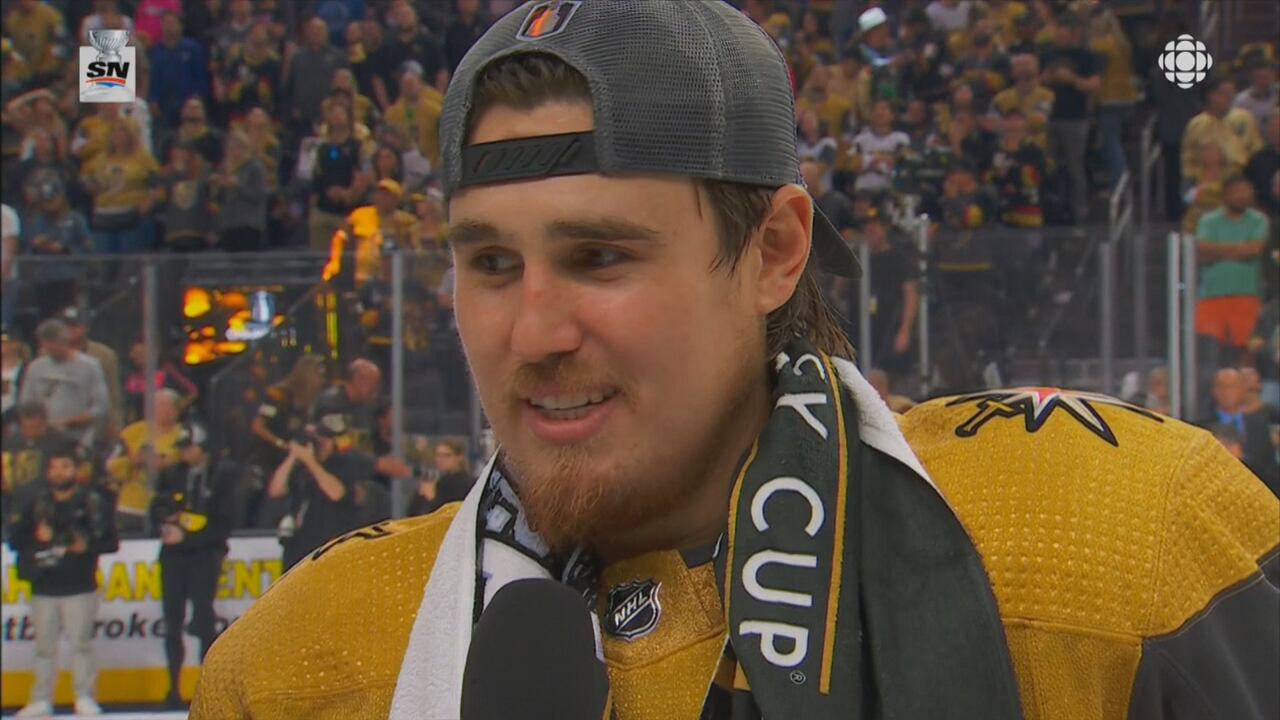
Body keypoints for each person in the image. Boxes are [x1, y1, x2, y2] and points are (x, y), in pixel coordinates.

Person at [193, 4, 1278, 720]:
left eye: (599, 255)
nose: (532, 331)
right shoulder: (302, 662)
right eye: (488, 261)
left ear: (771, 252)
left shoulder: (1112, 552)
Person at [9, 443, 117, 718]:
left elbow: (110, 542)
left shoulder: (91, 502)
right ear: (48, 471)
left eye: (65, 466)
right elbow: (15, 540)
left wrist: (86, 545)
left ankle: (84, 696)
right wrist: (38, 538)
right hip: (44, 586)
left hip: (79, 586)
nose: (59, 473)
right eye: (55, 467)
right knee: (44, 647)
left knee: (81, 644)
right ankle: (41, 699)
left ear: (76, 470)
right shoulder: (36, 503)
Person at [148, 421, 231, 707]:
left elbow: (222, 524)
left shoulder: (221, 476)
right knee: (172, 621)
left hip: (203, 558)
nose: (183, 453)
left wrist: (185, 536)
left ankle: (208, 690)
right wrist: (165, 523)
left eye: (188, 447)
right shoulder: (171, 474)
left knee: (204, 621)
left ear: (203, 447)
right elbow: (155, 509)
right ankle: (173, 689)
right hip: (173, 559)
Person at [267, 418, 373, 570]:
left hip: (329, 548)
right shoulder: (300, 468)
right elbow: (275, 490)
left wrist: (311, 461)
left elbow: (336, 493)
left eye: (322, 439)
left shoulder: (342, 464)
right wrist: (293, 456)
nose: (319, 444)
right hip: (298, 551)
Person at [1194, 176, 1268, 358]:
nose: (1243, 196)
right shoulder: (1208, 221)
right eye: (1237, 191)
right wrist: (1240, 249)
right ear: (1225, 195)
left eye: (1247, 191)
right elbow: (1202, 250)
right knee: (1209, 352)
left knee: (1247, 351)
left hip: (1247, 294)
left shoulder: (1259, 220)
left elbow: (1254, 250)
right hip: (1212, 295)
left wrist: (1217, 250)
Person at [1038, 12, 1100, 225]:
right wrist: (1046, 79)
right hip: (1049, 117)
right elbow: (1035, 81)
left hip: (1075, 118)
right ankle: (1052, 207)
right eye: (1058, 35)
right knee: (1049, 165)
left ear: (1072, 35)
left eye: (1064, 35)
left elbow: (1093, 85)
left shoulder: (1084, 56)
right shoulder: (1046, 55)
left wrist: (1071, 79)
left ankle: (1079, 210)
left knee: (1075, 167)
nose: (1060, 39)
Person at [18, 319, 109, 451]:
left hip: (78, 439)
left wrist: (69, 422)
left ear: (64, 341)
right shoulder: (35, 367)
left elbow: (101, 407)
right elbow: (26, 404)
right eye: (45, 344)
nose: (48, 348)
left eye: (52, 343)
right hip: (42, 441)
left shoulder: (90, 366)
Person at [106, 389, 187, 535]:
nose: (159, 410)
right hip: (130, 508)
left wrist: (150, 460)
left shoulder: (184, 434)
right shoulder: (132, 432)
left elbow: (176, 461)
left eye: (165, 406)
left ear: (177, 410)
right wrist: (132, 461)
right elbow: (111, 466)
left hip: (169, 509)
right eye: (155, 405)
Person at [1203, 368, 1280, 496]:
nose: (1227, 392)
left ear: (1242, 390)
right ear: (1213, 391)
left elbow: (1270, 470)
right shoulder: (1202, 428)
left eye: (1232, 386)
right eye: (1221, 386)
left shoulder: (1260, 426)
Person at [1182, 77, 1264, 187]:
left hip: (1240, 179)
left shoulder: (1245, 118)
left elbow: (1256, 150)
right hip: (1203, 180)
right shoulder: (1196, 124)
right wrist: (1196, 177)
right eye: (1224, 94)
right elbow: (1188, 158)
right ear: (1211, 95)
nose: (1228, 98)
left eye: (1231, 94)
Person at [60, 307, 123, 438]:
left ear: (86, 327)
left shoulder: (104, 354)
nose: (71, 330)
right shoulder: (51, 354)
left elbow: (113, 392)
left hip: (94, 420)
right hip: (61, 419)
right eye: (67, 326)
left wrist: (116, 423)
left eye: (75, 325)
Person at [406, 438, 473, 516]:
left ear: (459, 457)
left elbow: (450, 514)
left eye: (446, 456)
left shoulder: (465, 483)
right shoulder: (439, 481)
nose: (440, 460)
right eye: (438, 455)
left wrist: (431, 498)